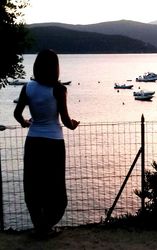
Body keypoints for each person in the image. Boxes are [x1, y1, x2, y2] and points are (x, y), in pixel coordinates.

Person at [14, 49, 79, 238]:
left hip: (33, 142)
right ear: (55, 68)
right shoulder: (59, 89)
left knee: (33, 185)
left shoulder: (27, 87)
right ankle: (47, 226)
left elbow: (17, 114)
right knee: (56, 187)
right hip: (54, 144)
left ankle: (40, 226)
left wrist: (25, 122)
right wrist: (73, 125)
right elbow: (66, 121)